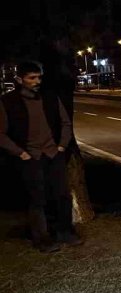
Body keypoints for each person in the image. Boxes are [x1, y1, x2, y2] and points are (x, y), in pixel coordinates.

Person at [0, 60, 82, 252]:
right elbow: (1, 134)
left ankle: (65, 232)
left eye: (39, 77)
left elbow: (65, 123)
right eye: (32, 78)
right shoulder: (7, 102)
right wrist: (20, 152)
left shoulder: (50, 98)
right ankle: (42, 239)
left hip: (54, 154)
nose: (37, 81)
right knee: (37, 199)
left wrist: (62, 145)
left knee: (62, 195)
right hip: (30, 157)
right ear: (20, 79)